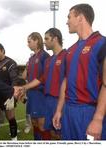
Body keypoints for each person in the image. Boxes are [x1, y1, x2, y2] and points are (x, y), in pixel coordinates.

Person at [52, 4, 106, 140]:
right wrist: (59, 110)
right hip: (69, 111)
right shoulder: (70, 50)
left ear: (80, 18)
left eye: (69, 17)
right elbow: (66, 80)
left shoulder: (102, 43)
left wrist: (98, 118)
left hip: (89, 111)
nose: (67, 21)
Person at [21, 28, 66, 140]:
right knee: (49, 131)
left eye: (46, 38)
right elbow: (42, 78)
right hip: (47, 99)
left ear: (55, 39)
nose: (44, 41)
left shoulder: (66, 56)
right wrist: (24, 88)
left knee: (59, 133)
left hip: (59, 100)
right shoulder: (48, 60)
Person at [22, 32, 50, 140]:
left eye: (29, 41)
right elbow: (24, 76)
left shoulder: (44, 56)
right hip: (31, 94)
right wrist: (27, 65)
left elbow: (45, 77)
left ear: (36, 41)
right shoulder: (31, 58)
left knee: (42, 125)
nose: (27, 44)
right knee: (34, 123)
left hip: (40, 95)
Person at [0, 43, 19, 140]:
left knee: (10, 117)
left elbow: (14, 81)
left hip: (7, 95)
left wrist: (12, 96)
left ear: (3, 51)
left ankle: (14, 138)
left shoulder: (11, 63)